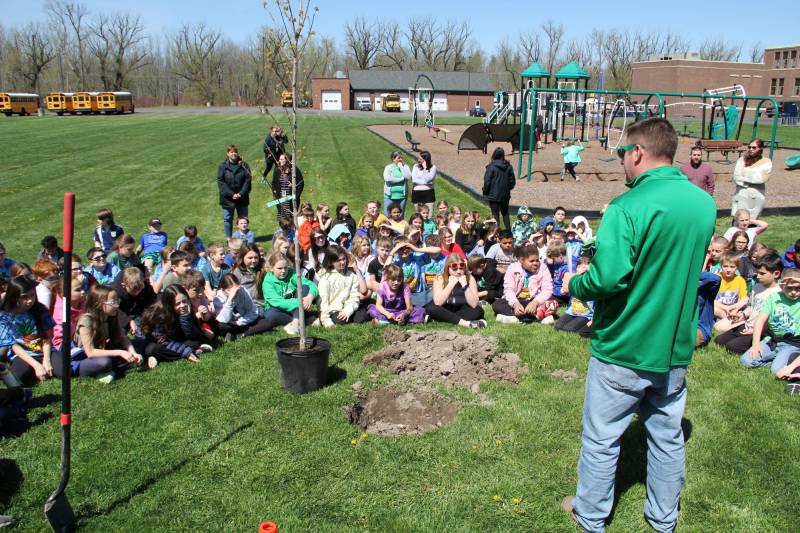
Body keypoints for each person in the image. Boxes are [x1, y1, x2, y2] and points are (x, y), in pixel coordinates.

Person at [560, 117, 717, 533]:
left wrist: (575, 282)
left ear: (637, 152)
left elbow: (608, 277)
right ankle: (663, 520)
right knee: (667, 438)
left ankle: (591, 516)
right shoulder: (703, 204)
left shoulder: (627, 206)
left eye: (621, 154)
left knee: (602, 439)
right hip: (673, 347)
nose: (621, 163)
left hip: (624, 346)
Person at [54, 284, 143, 382]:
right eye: (113, 302)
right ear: (99, 303)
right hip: (82, 358)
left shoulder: (111, 315)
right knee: (105, 362)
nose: (117, 305)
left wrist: (133, 353)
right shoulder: (86, 320)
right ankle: (112, 369)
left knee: (139, 343)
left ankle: (115, 368)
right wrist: (121, 352)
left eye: (117, 301)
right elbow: (90, 352)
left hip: (103, 349)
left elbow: (122, 337)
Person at [715, 251, 782, 354]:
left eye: (762, 273)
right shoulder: (757, 287)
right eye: (758, 272)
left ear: (776, 274)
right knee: (719, 341)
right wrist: (742, 315)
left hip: (762, 331)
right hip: (747, 324)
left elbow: (773, 320)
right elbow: (751, 307)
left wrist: (755, 330)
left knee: (732, 347)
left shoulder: (778, 294)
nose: (758, 276)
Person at [740, 268, 800, 374]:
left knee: (776, 370)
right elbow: (760, 321)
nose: (793, 292)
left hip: (791, 344)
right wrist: (755, 345)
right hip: (772, 340)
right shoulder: (774, 298)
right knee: (746, 361)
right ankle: (774, 361)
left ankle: (779, 363)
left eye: (798, 288)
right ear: (781, 286)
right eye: (789, 288)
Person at [138, 285, 213, 368]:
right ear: (169, 305)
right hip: (158, 341)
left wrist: (185, 317)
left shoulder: (187, 307)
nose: (182, 305)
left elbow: (192, 335)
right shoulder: (160, 315)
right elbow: (162, 339)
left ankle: (160, 357)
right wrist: (185, 351)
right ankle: (195, 351)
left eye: (184, 301)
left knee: (195, 341)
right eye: (177, 303)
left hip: (176, 338)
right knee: (151, 349)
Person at [0, 276, 54, 385]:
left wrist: (46, 360)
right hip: (21, 353)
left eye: (32, 296)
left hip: (43, 350)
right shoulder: (5, 316)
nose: (30, 300)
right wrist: (36, 365)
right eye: (24, 297)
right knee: (19, 376)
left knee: (65, 370)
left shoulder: (40, 310)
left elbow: (47, 338)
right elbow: (13, 345)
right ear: (14, 297)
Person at [493, 244, 556, 325]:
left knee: (552, 303)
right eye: (531, 261)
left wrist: (535, 302)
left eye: (537, 260)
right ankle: (534, 316)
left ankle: (513, 317)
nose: (536, 263)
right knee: (497, 304)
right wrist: (515, 304)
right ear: (522, 260)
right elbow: (508, 289)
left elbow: (547, 289)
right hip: (517, 300)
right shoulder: (512, 268)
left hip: (535, 301)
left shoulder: (543, 268)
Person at [262, 253, 319, 336]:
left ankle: (296, 322)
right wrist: (301, 302)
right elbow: (278, 302)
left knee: (305, 287)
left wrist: (310, 296)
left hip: (295, 308)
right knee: (270, 315)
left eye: (285, 267)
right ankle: (304, 320)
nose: (283, 271)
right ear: (271, 268)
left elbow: (311, 284)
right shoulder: (268, 282)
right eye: (279, 268)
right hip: (278, 309)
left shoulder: (291, 274)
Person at [424, 254, 486, 328]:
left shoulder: (470, 278)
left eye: (461, 268)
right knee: (431, 308)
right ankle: (466, 324)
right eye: (455, 269)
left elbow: (474, 304)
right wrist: (451, 284)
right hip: (444, 308)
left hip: (461, 308)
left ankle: (440, 319)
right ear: (448, 268)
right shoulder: (439, 278)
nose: (459, 272)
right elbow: (438, 302)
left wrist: (465, 285)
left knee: (478, 310)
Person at [213, 273, 276, 339]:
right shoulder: (218, 298)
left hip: (244, 321)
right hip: (231, 324)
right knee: (221, 326)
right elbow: (224, 320)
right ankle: (257, 330)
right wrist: (229, 300)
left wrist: (240, 322)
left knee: (269, 322)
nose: (235, 293)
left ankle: (242, 334)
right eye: (230, 290)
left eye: (237, 289)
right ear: (223, 290)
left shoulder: (242, 290)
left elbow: (252, 311)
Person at [317, 247, 369, 327]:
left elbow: (354, 297)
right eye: (338, 260)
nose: (342, 262)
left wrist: (348, 310)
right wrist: (327, 322)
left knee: (362, 317)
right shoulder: (325, 278)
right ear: (331, 262)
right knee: (340, 320)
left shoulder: (351, 276)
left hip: (348, 308)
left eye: (344, 259)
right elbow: (323, 302)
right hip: (333, 310)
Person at [217, 144, 252, 239]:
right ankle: (229, 239)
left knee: (243, 219)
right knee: (227, 219)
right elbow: (221, 182)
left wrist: (240, 193)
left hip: (242, 197)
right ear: (228, 154)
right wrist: (232, 194)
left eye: (235, 152)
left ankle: (244, 237)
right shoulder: (222, 166)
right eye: (231, 152)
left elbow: (248, 180)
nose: (234, 154)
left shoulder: (244, 165)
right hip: (228, 199)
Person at [731, 138, 772, 219]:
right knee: (738, 221)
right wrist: (752, 176)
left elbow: (762, 179)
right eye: (749, 147)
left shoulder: (766, 162)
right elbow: (736, 177)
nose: (751, 149)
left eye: (754, 147)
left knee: (752, 222)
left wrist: (744, 175)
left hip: (756, 196)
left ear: (760, 148)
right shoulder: (742, 160)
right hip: (741, 194)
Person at [555, 256, 593, 337]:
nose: (583, 272)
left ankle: (585, 329)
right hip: (571, 312)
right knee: (558, 327)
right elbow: (565, 290)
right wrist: (577, 274)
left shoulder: (591, 282)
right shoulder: (574, 280)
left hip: (586, 314)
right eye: (580, 268)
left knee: (569, 329)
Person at [713, 253, 749, 333]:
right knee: (713, 308)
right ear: (721, 266)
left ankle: (728, 321)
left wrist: (735, 308)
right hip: (720, 307)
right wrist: (725, 308)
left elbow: (743, 298)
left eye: (732, 267)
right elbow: (711, 299)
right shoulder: (716, 278)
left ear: (737, 267)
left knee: (746, 299)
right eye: (725, 266)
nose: (728, 269)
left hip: (733, 307)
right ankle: (728, 321)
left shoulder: (740, 280)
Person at [482, 147, 515, 231]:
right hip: (505, 195)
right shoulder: (508, 166)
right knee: (505, 213)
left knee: (495, 214)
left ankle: (496, 232)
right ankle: (508, 231)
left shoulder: (491, 167)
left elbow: (487, 181)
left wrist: (485, 191)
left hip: (494, 195)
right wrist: (507, 189)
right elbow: (512, 181)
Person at [272, 153, 304, 223]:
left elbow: (301, 183)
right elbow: (274, 183)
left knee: (291, 218)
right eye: (279, 159)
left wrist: (294, 189)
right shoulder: (278, 170)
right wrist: (274, 194)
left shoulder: (294, 170)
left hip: (291, 199)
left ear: (287, 160)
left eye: (281, 159)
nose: (279, 161)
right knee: (282, 219)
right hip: (281, 198)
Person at [383, 151, 411, 216]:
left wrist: (401, 167)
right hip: (389, 196)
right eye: (399, 158)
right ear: (393, 159)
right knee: (388, 215)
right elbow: (388, 179)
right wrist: (401, 179)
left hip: (402, 196)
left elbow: (408, 177)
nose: (401, 159)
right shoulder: (388, 167)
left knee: (400, 216)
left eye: (401, 158)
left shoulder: (405, 167)